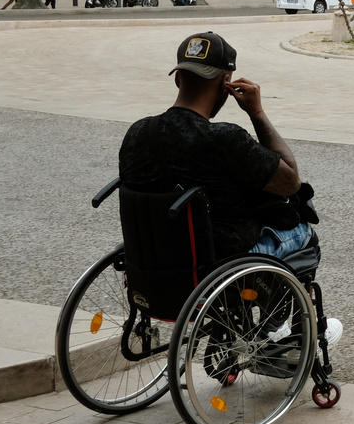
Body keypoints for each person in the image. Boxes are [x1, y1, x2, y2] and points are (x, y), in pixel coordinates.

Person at [117, 31, 342, 346]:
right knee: (304, 232)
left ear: (178, 79)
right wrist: (257, 113)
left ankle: (256, 326)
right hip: (214, 266)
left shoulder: (138, 133)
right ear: (226, 82)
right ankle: (286, 331)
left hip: (153, 266)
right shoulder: (223, 139)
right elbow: (290, 182)